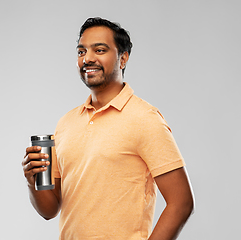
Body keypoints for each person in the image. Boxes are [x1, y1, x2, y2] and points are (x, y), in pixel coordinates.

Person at [22, 17, 194, 240]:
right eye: (81, 51)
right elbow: (50, 210)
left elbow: (181, 203)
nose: (88, 58)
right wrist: (32, 181)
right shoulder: (66, 123)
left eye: (100, 50)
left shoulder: (145, 119)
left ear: (123, 58)